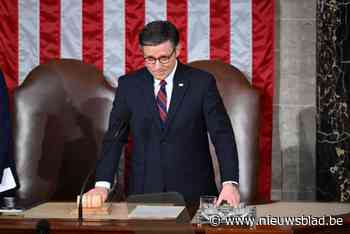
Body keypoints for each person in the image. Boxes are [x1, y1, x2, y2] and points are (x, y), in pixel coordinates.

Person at [82, 20, 240, 207]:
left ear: (178, 50)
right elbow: (115, 138)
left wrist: (230, 183)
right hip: (143, 194)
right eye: (150, 59)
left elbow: (222, 135)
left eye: (164, 58)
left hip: (194, 193)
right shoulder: (129, 86)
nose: (157, 66)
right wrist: (102, 185)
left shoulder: (201, 84)